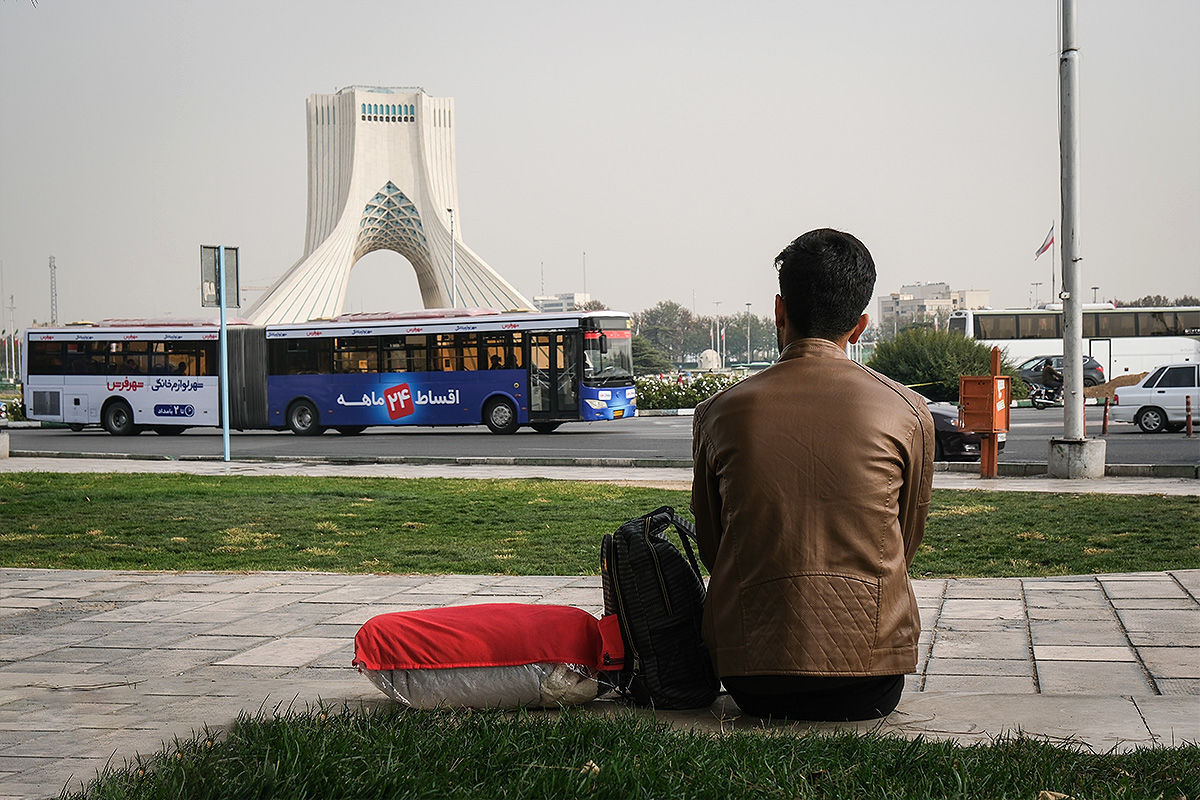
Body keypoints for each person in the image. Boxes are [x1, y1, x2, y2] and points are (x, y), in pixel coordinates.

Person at [691, 228, 934, 721]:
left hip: (751, 677)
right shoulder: (907, 412)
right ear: (860, 326)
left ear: (779, 312)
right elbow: (905, 541)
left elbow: (714, 546)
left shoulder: (719, 413)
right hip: (871, 679)